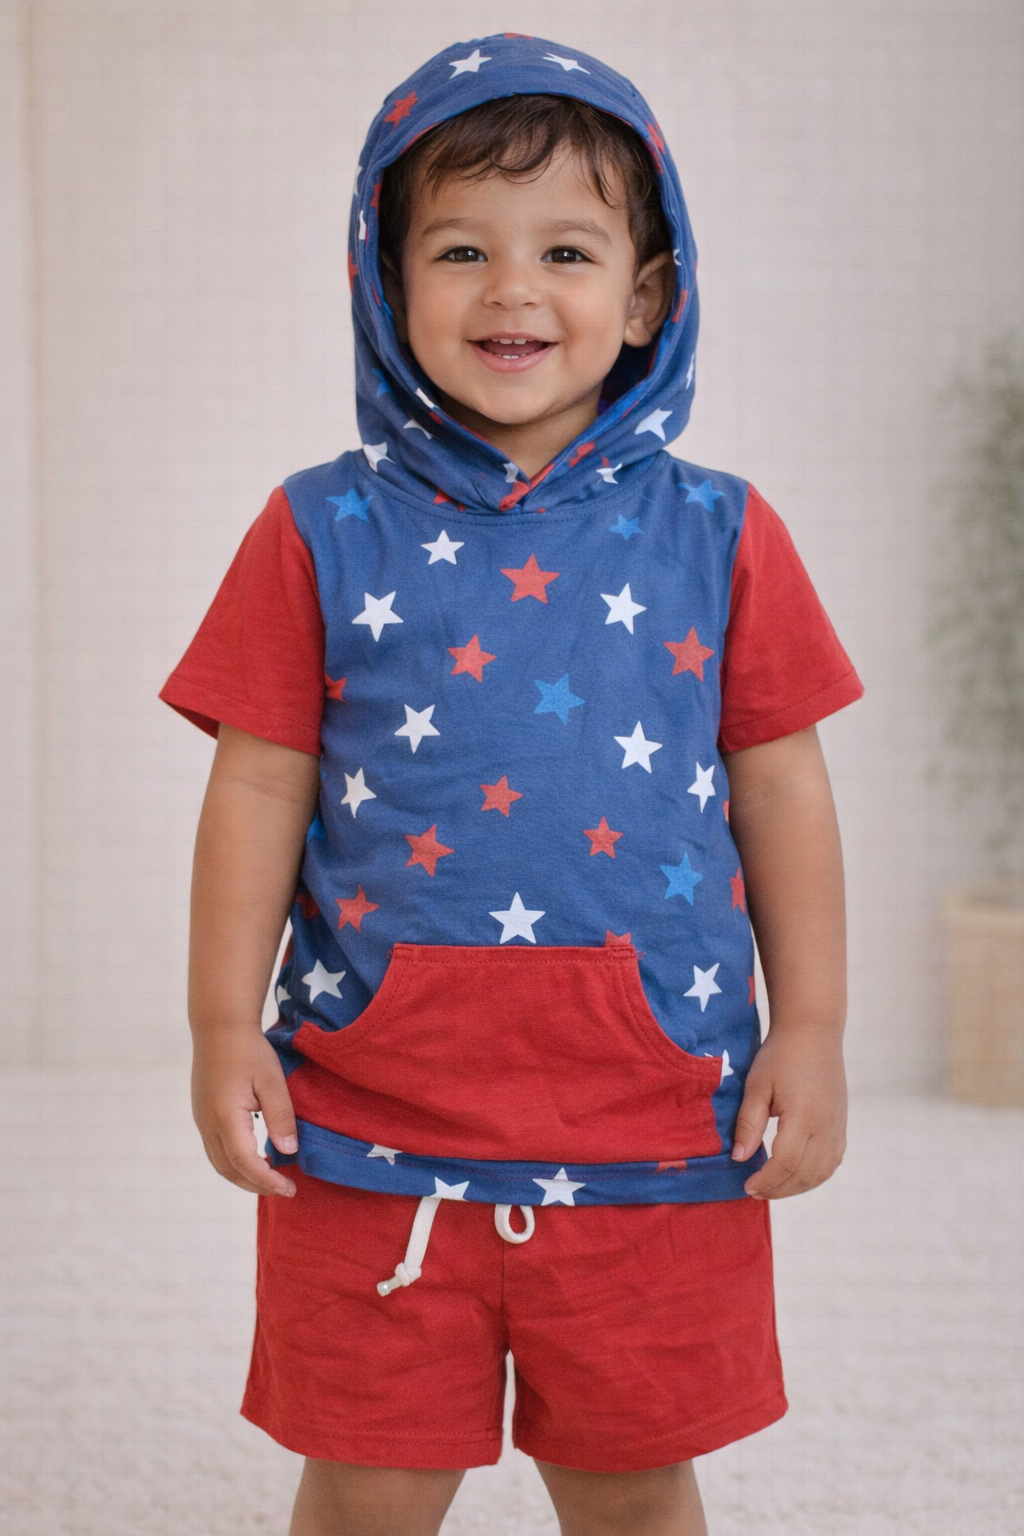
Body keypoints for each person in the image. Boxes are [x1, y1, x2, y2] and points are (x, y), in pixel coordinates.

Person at [159, 34, 863, 1536]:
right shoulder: (316, 529)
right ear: (385, 283)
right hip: (367, 1121)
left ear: (648, 295)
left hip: (659, 1119)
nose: (512, 290)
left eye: (567, 249)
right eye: (461, 247)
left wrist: (809, 1029)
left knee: (630, 1485)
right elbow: (258, 785)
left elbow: (784, 792)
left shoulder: (725, 535)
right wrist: (225, 1026)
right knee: (367, 1484)